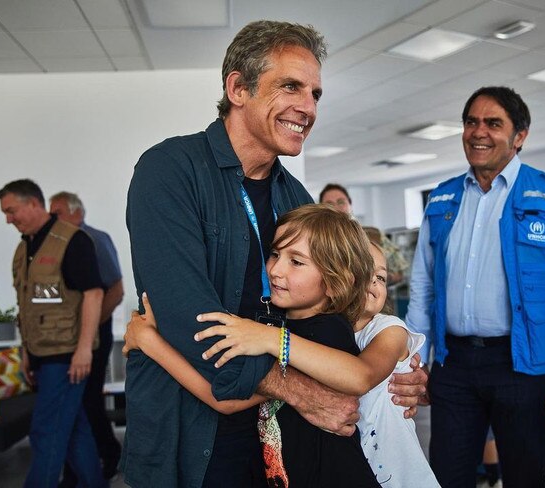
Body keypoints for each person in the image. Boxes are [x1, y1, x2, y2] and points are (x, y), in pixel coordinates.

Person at [124, 20, 427, 488]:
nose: (307, 107)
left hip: (280, 441)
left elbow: (347, 311)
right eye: (291, 86)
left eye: (315, 94)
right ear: (238, 88)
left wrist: (393, 374)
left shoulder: (298, 200)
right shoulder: (170, 171)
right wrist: (304, 391)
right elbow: (193, 322)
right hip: (191, 436)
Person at [126, 205, 439, 487]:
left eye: (297, 262)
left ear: (334, 281)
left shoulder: (325, 332)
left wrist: (152, 344)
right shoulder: (282, 325)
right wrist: (153, 339)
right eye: (275, 254)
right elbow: (225, 396)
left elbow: (358, 376)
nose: (275, 269)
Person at [405, 85, 545, 487]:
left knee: (524, 477)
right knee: (447, 473)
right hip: (454, 366)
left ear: (519, 136)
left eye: (494, 123)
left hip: (522, 366)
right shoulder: (442, 200)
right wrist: (415, 363)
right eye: (471, 122)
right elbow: (422, 290)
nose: (479, 132)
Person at [0, 179, 107, 488]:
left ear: (33, 203)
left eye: (11, 210)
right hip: (42, 356)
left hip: (67, 356)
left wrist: (84, 349)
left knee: (46, 430)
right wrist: (26, 354)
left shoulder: (72, 240)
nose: (8, 219)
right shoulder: (25, 246)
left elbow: (94, 294)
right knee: (74, 430)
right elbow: (26, 307)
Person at [49, 191, 124, 483]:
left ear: (77, 214)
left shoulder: (94, 239)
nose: (51, 218)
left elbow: (115, 291)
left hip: (94, 333)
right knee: (80, 401)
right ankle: (84, 465)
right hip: (73, 335)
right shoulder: (59, 243)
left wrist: (90, 332)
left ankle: (108, 454)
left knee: (89, 398)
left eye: (57, 213)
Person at [319, 183, 409, 285]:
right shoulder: (316, 239)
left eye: (341, 202)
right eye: (329, 204)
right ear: (322, 208)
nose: (336, 208)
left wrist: (379, 277)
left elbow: (400, 271)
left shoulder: (374, 235)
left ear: (350, 205)